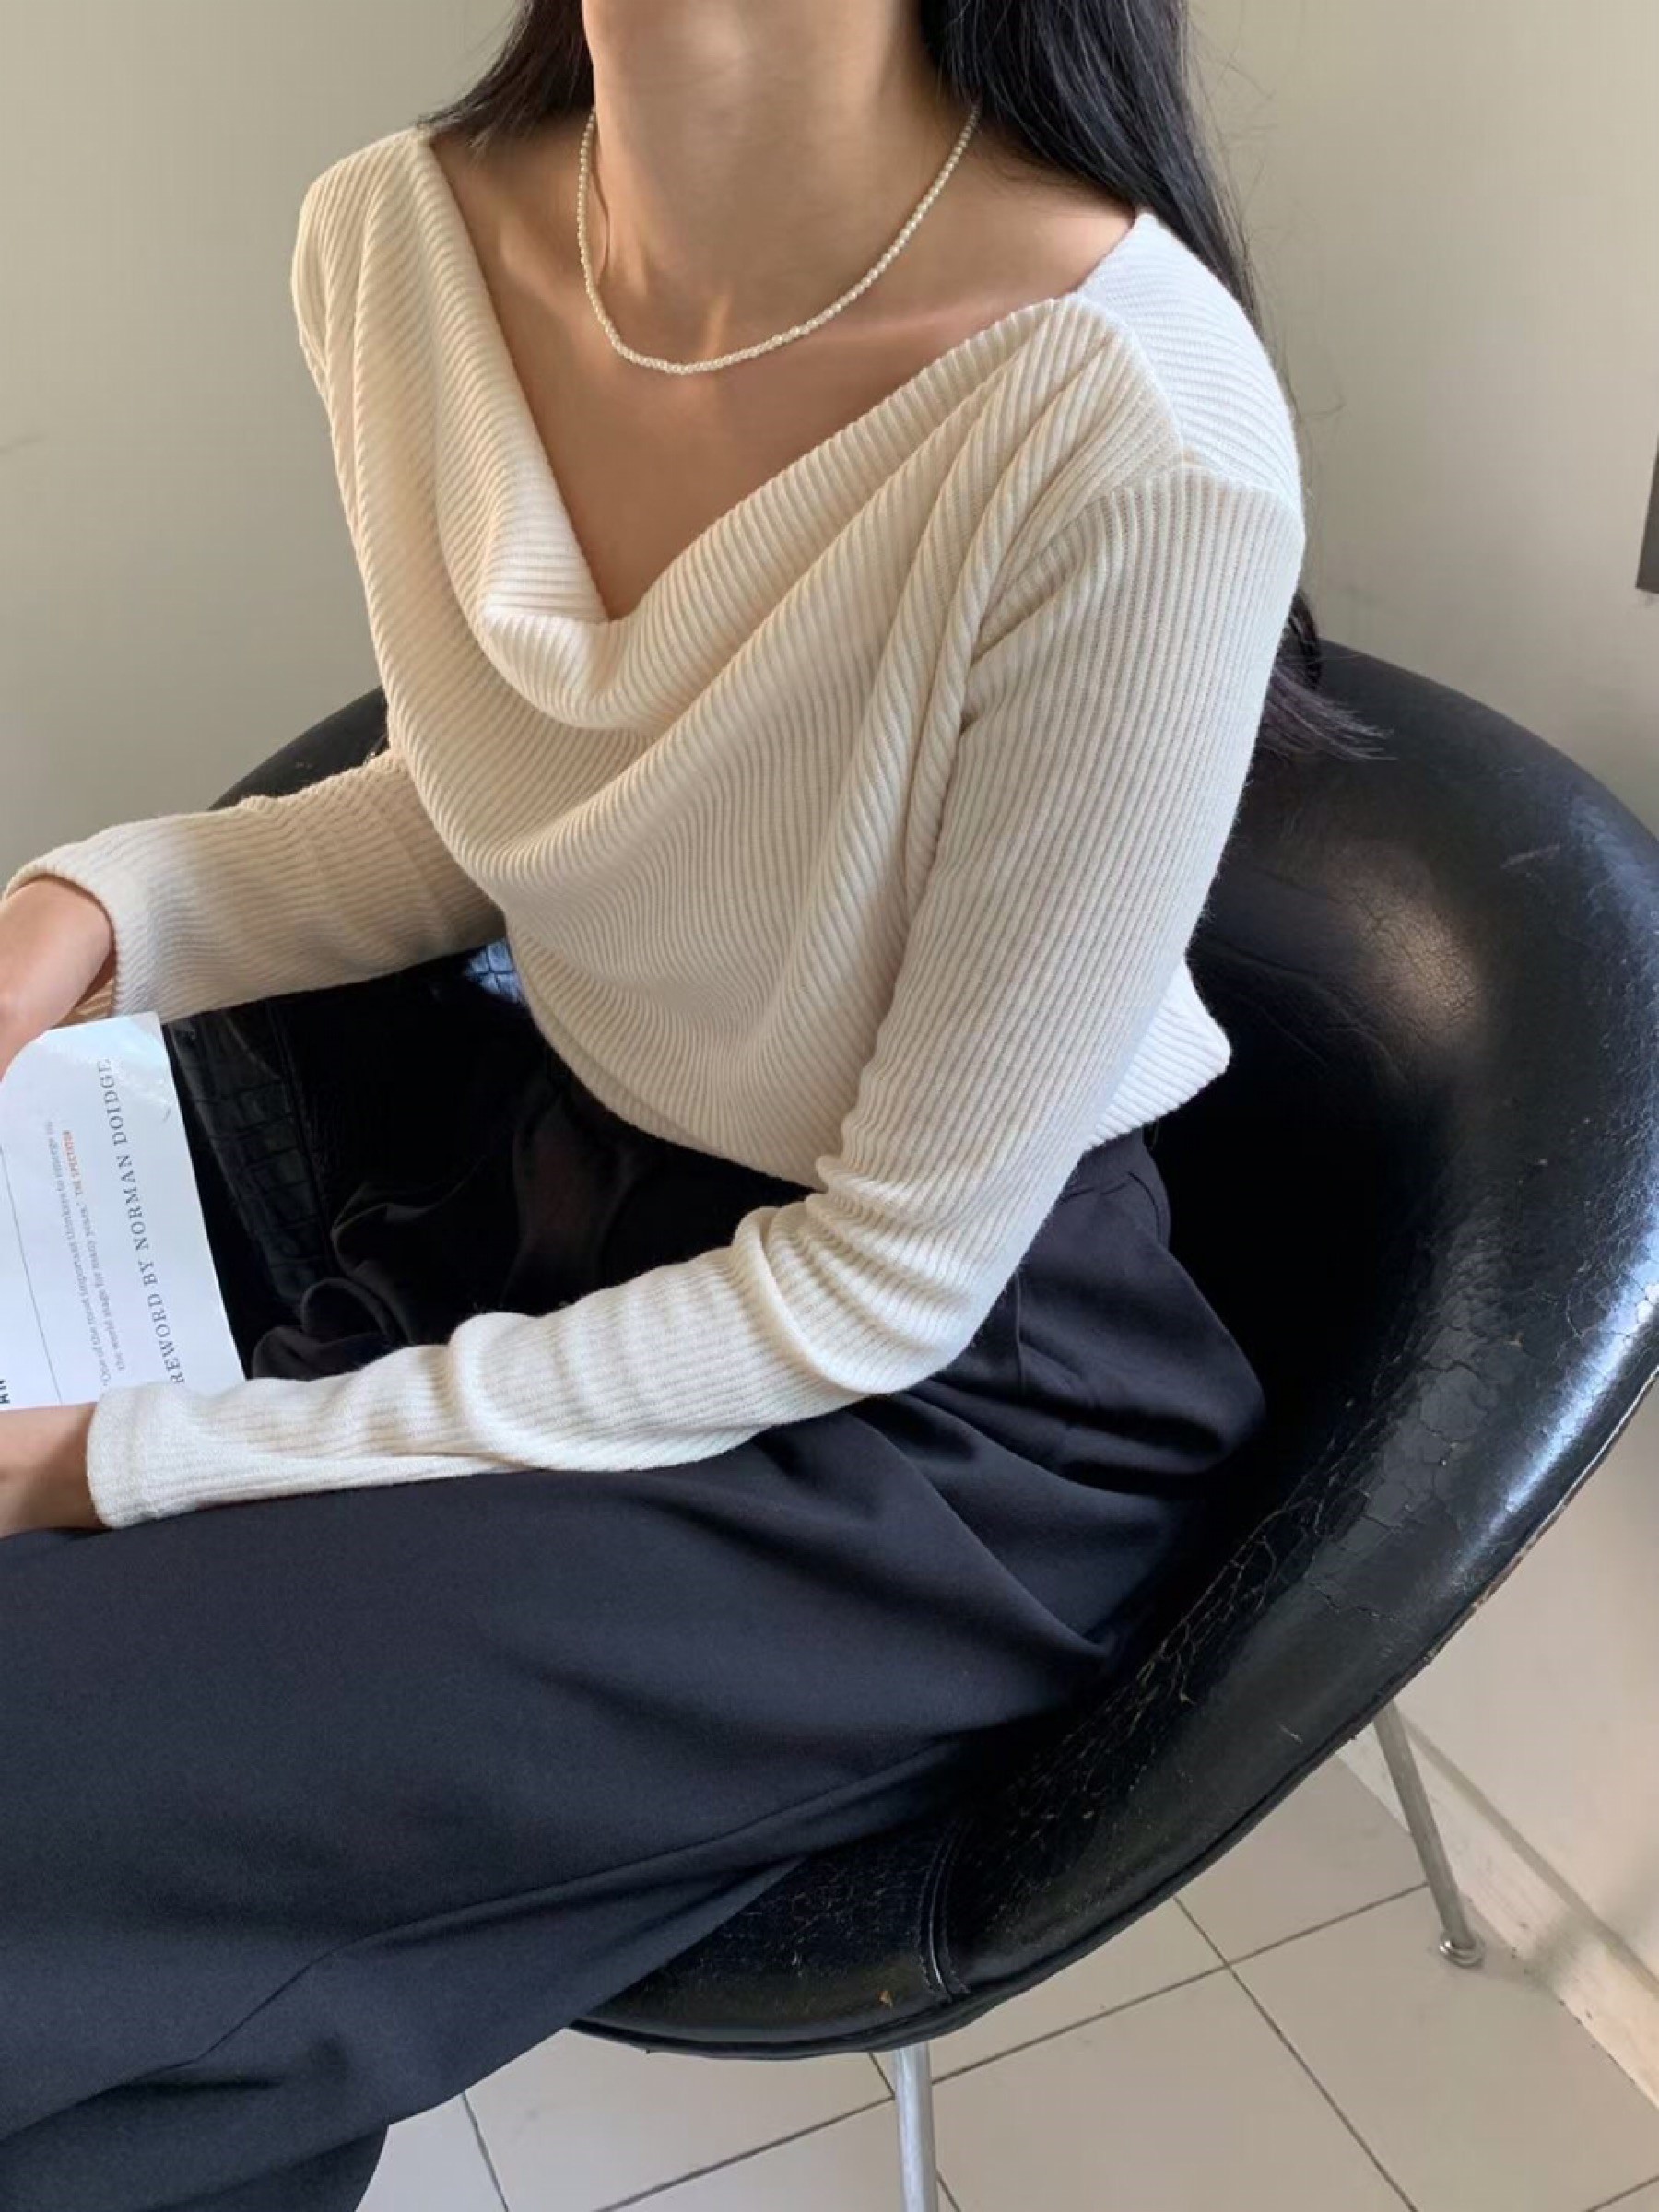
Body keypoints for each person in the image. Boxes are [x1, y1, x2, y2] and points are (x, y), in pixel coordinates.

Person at [0, 3, 1378, 2206]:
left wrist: (122, 1464)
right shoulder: (398, 242)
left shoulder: (1132, 427)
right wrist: (82, 917)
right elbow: (490, 819)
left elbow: (886, 1282)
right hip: (529, 1215)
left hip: (920, 1419)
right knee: (145, 2037)